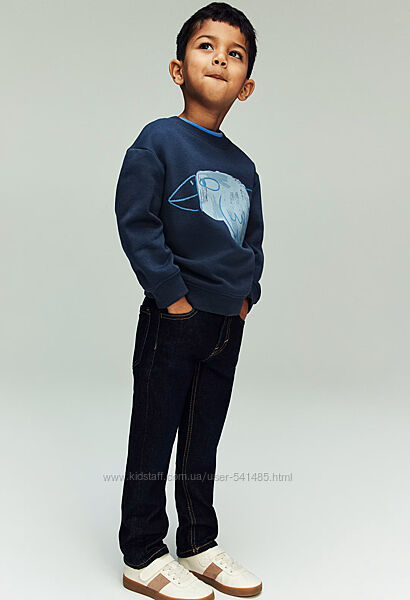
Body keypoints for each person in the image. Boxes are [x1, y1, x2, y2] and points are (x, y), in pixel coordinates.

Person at [114, 3, 264, 598]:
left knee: (203, 438)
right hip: (174, 318)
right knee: (154, 435)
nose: (220, 59)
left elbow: (252, 238)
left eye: (235, 54)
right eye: (206, 46)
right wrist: (172, 297)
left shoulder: (244, 166)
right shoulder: (158, 140)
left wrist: (247, 296)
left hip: (227, 323)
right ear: (178, 69)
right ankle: (142, 552)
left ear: (246, 85)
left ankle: (198, 541)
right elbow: (137, 221)